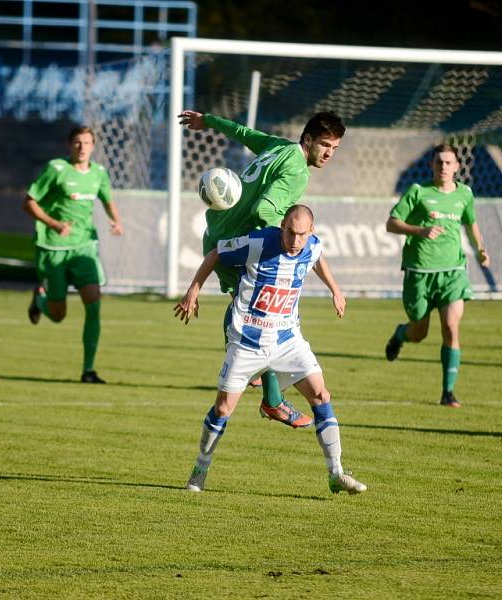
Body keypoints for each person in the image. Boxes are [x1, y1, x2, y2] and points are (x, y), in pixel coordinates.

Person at [174, 205, 366, 495]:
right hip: (246, 342)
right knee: (223, 408)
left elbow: (318, 259)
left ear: (311, 232)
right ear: (282, 227)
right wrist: (193, 290)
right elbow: (216, 253)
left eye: (301, 234)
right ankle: (200, 468)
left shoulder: (311, 246)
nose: (295, 240)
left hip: (287, 340)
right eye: (289, 232)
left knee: (321, 394)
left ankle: (336, 472)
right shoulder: (258, 243)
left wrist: (335, 290)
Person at [178, 109, 346, 428]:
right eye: (325, 144)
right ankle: (269, 396)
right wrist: (279, 240)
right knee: (264, 318)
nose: (329, 153)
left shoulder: (279, 147)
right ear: (307, 139)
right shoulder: (298, 171)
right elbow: (265, 208)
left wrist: (209, 121)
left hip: (216, 232)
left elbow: (243, 133)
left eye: (334, 148)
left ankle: (260, 380)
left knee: (253, 312)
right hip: (237, 243)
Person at [384, 144, 491, 408]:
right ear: (432, 165)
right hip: (419, 274)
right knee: (419, 332)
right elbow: (392, 223)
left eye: (448, 162)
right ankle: (401, 334)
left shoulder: (464, 194)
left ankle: (448, 392)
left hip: (453, 272)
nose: (443, 167)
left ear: (457, 166)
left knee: (451, 327)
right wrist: (419, 230)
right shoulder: (418, 192)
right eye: (438, 162)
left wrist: (480, 250)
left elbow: (470, 223)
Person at [24, 126, 124, 383]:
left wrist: (116, 221)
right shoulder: (56, 169)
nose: (82, 147)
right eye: (77, 142)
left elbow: (107, 199)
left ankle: (88, 370)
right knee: (58, 315)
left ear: (93, 146)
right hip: (53, 247)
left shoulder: (99, 173)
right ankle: (41, 300)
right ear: (70, 145)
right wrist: (54, 224)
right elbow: (29, 202)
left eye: (87, 142)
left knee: (94, 301)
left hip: (84, 247)